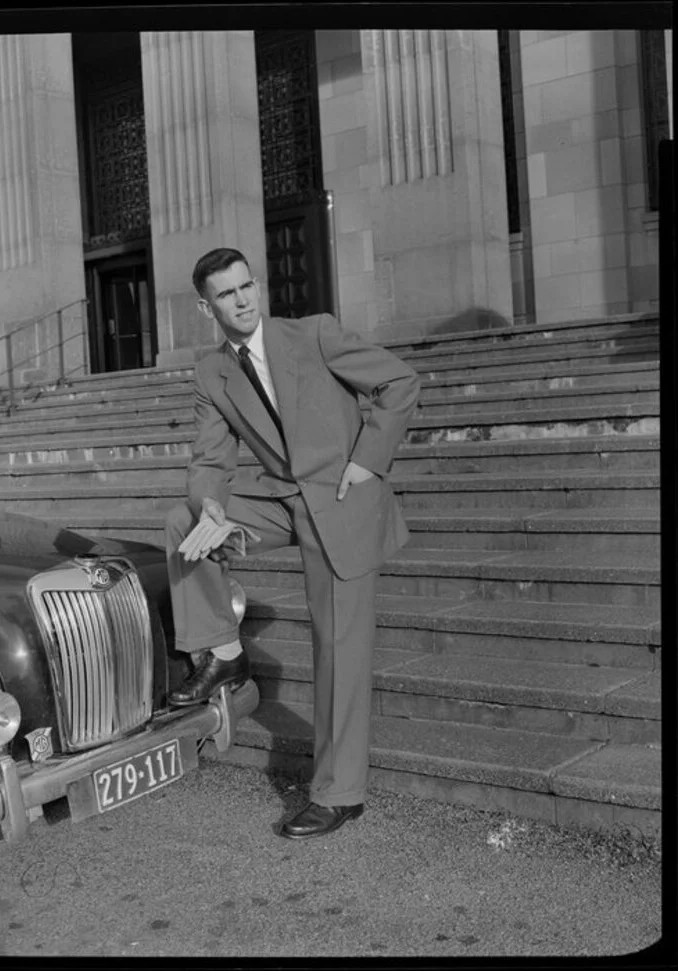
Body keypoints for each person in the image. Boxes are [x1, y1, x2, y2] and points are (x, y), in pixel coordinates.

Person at [163, 247, 421, 840]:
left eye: (247, 286)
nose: (244, 299)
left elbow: (398, 382)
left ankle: (339, 794)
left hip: (341, 502)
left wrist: (366, 463)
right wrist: (214, 507)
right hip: (280, 499)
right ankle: (223, 653)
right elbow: (209, 458)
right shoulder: (212, 371)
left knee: (339, 652)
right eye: (227, 294)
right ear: (208, 307)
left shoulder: (315, 335)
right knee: (183, 522)